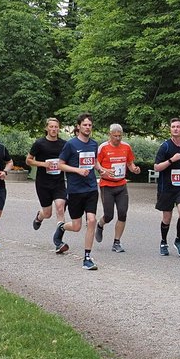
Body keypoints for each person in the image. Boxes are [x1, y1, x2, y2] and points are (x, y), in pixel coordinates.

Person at [52, 113, 100, 270]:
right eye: (85, 125)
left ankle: (87, 257)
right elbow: (60, 164)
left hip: (91, 188)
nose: (87, 127)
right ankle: (62, 227)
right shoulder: (71, 145)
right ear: (78, 126)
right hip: (75, 190)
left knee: (92, 220)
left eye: (90, 125)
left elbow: (94, 162)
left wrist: (102, 169)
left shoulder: (94, 144)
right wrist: (77, 170)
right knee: (77, 226)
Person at [94, 124, 140, 253]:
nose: (118, 138)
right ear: (110, 135)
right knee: (109, 215)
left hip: (121, 185)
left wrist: (134, 169)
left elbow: (130, 163)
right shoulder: (103, 147)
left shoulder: (126, 147)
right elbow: (96, 163)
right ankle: (100, 224)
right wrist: (103, 170)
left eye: (120, 136)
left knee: (122, 213)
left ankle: (116, 242)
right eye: (115, 136)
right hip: (107, 185)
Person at [154, 118, 180, 257]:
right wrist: (171, 160)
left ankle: (178, 240)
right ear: (170, 129)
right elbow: (156, 167)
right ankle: (163, 242)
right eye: (173, 127)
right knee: (167, 218)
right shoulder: (165, 146)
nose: (175, 129)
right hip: (166, 187)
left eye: (178, 126)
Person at [27, 117, 68, 250]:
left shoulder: (64, 144)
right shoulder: (39, 143)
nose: (54, 129)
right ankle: (39, 217)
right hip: (43, 183)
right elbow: (28, 160)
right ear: (46, 128)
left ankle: (58, 241)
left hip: (59, 182)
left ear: (59, 128)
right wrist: (43, 164)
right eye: (51, 127)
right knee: (47, 213)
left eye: (56, 127)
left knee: (60, 207)